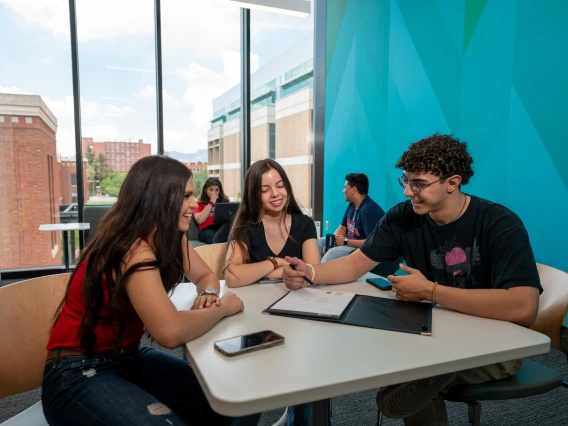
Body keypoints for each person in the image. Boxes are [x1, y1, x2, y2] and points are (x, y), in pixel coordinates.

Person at [283, 134, 542, 426]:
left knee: (405, 383)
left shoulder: (499, 223)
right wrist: (310, 272)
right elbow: (353, 265)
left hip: (498, 342)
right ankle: (420, 370)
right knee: (388, 361)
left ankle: (419, 372)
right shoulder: (402, 217)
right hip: (433, 330)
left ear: (452, 183)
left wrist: (431, 291)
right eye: (405, 181)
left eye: (418, 184)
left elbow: (523, 307)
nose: (407, 192)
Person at [42, 156, 260, 426]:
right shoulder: (132, 248)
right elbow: (169, 332)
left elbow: (205, 275)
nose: (195, 204)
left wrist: (210, 294)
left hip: (127, 357)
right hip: (76, 372)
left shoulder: (168, 235)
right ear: (158, 199)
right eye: (186, 196)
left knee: (240, 403)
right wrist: (224, 307)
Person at [224, 158, 320, 426]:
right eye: (265, 189)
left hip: (299, 314)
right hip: (255, 317)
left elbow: (312, 270)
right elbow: (232, 276)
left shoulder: (303, 223)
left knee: (308, 367)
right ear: (254, 194)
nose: (275, 194)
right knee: (251, 378)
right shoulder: (246, 227)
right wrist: (277, 263)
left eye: (279, 185)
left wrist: (259, 270)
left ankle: (297, 419)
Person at [317, 173, 385, 263]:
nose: (343, 190)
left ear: (354, 189)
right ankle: (312, 272)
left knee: (331, 254)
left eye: (345, 187)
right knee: (317, 243)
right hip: (349, 243)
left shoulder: (368, 211)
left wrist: (345, 242)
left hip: (364, 250)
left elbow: (372, 242)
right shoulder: (352, 205)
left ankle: (321, 275)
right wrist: (332, 243)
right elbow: (342, 228)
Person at [193, 177, 231, 244]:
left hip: (221, 228)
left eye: (216, 190)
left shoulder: (225, 203)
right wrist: (211, 203)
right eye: (211, 190)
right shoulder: (199, 204)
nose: (214, 193)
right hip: (206, 230)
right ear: (205, 190)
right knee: (216, 238)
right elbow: (200, 220)